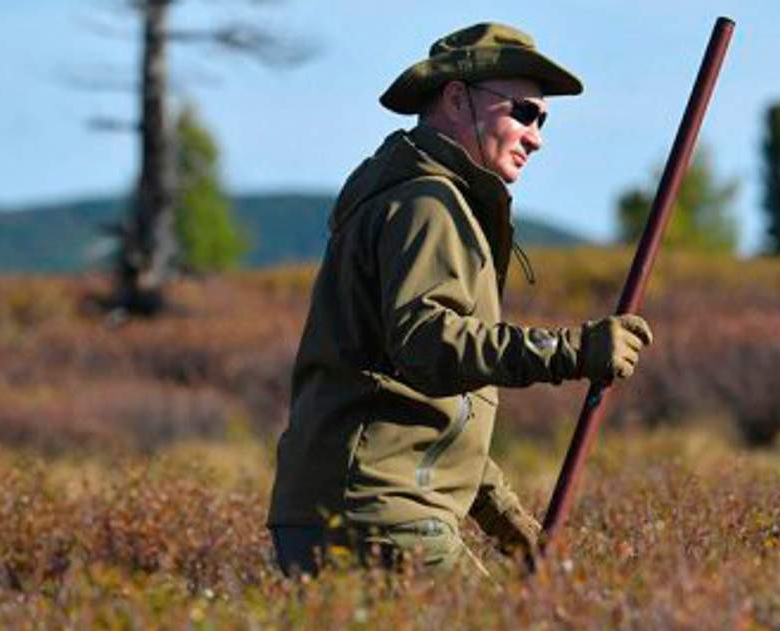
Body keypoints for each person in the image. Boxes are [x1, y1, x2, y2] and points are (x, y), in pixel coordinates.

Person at [267, 22, 653, 576]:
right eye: (523, 112)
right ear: (455, 98)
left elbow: (421, 406)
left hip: (348, 509)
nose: (536, 137)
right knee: (500, 621)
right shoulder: (429, 204)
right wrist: (573, 350)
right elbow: (427, 345)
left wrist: (504, 517)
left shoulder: (415, 198)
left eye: (542, 120)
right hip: (381, 514)